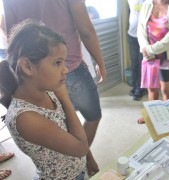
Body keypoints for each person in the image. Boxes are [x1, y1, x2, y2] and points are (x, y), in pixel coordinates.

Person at [3, 0, 106, 175]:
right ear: (27, 66)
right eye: (58, 63)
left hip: (76, 170)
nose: (66, 69)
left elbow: (69, 130)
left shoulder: (45, 90)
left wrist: (88, 158)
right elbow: (80, 147)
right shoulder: (26, 118)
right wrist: (64, 97)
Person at [137, 0, 169, 102]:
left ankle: (167, 117)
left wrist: (151, 50)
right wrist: (145, 47)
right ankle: (152, 116)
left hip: (166, 56)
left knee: (166, 90)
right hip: (149, 55)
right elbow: (140, 30)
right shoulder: (147, 4)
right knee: (152, 89)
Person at [127, 0, 146, 101]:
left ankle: (140, 88)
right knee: (134, 63)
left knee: (141, 64)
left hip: (144, 37)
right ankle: (134, 86)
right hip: (132, 35)